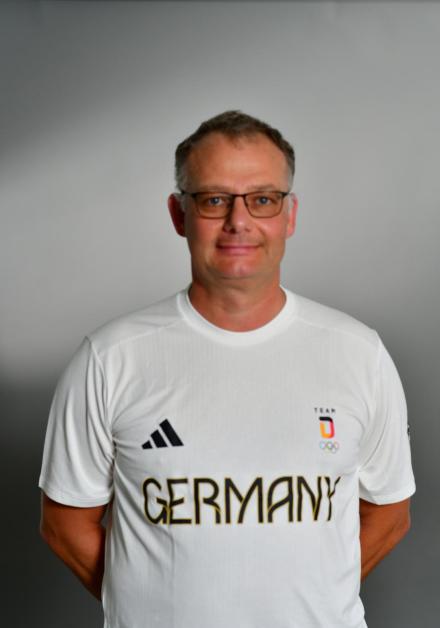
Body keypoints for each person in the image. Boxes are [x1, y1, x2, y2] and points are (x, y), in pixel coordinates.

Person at [39, 110, 415, 628]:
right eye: (214, 200)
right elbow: (64, 524)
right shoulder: (110, 358)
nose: (239, 221)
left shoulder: (358, 353)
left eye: (263, 199)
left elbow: (390, 513)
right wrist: (144, 605)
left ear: (290, 215)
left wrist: (321, 595)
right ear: (179, 215)